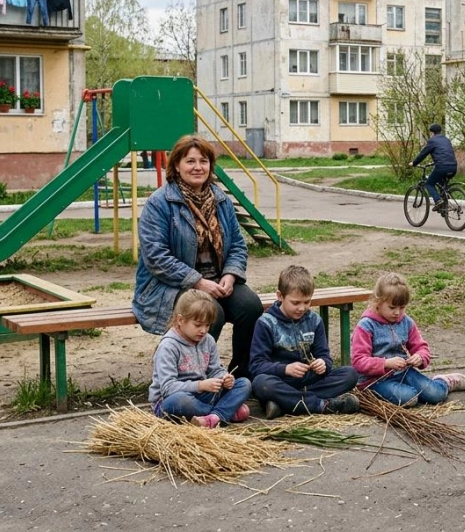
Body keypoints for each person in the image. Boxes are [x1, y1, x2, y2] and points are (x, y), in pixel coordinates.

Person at [132, 135, 263, 380]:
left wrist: (230, 275)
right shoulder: (159, 203)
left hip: (218, 281)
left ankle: (240, 373)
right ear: (176, 166)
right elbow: (156, 256)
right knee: (209, 312)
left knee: (250, 306)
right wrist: (198, 282)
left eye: (203, 161)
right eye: (190, 161)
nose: (197, 167)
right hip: (169, 286)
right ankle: (193, 378)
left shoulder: (220, 200)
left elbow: (237, 244)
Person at [249, 265, 361, 419]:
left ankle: (286, 403)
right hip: (282, 380)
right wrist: (286, 369)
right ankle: (321, 405)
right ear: (280, 296)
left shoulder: (314, 320)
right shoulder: (266, 323)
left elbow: (324, 356)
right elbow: (256, 365)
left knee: (350, 374)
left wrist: (323, 363)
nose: (302, 308)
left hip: (309, 380)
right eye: (295, 303)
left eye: (307, 302)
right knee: (261, 383)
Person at [351, 272, 465, 406]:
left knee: (435, 395)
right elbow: (358, 361)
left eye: (402, 307)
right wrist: (385, 363)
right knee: (409, 398)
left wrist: (420, 357)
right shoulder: (366, 325)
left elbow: (421, 347)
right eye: (392, 308)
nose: (397, 312)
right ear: (378, 303)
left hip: (403, 372)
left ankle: (444, 382)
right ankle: (401, 392)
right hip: (375, 380)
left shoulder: (406, 322)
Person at [148, 289, 253, 428]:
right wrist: (200, 385)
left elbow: (215, 370)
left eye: (208, 325)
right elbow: (168, 388)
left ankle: (212, 418)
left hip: (203, 394)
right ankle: (223, 413)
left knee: (244, 384)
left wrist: (224, 378)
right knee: (180, 401)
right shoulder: (168, 346)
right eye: (198, 325)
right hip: (171, 400)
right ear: (180, 320)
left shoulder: (208, 340)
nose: (203, 330)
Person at [410, 123, 457, 210]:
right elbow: (445, 153)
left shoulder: (432, 141)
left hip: (441, 167)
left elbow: (423, 153)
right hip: (453, 167)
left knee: (429, 183)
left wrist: (414, 163)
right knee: (442, 185)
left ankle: (438, 201)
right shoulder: (446, 140)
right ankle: (445, 202)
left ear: (431, 133)